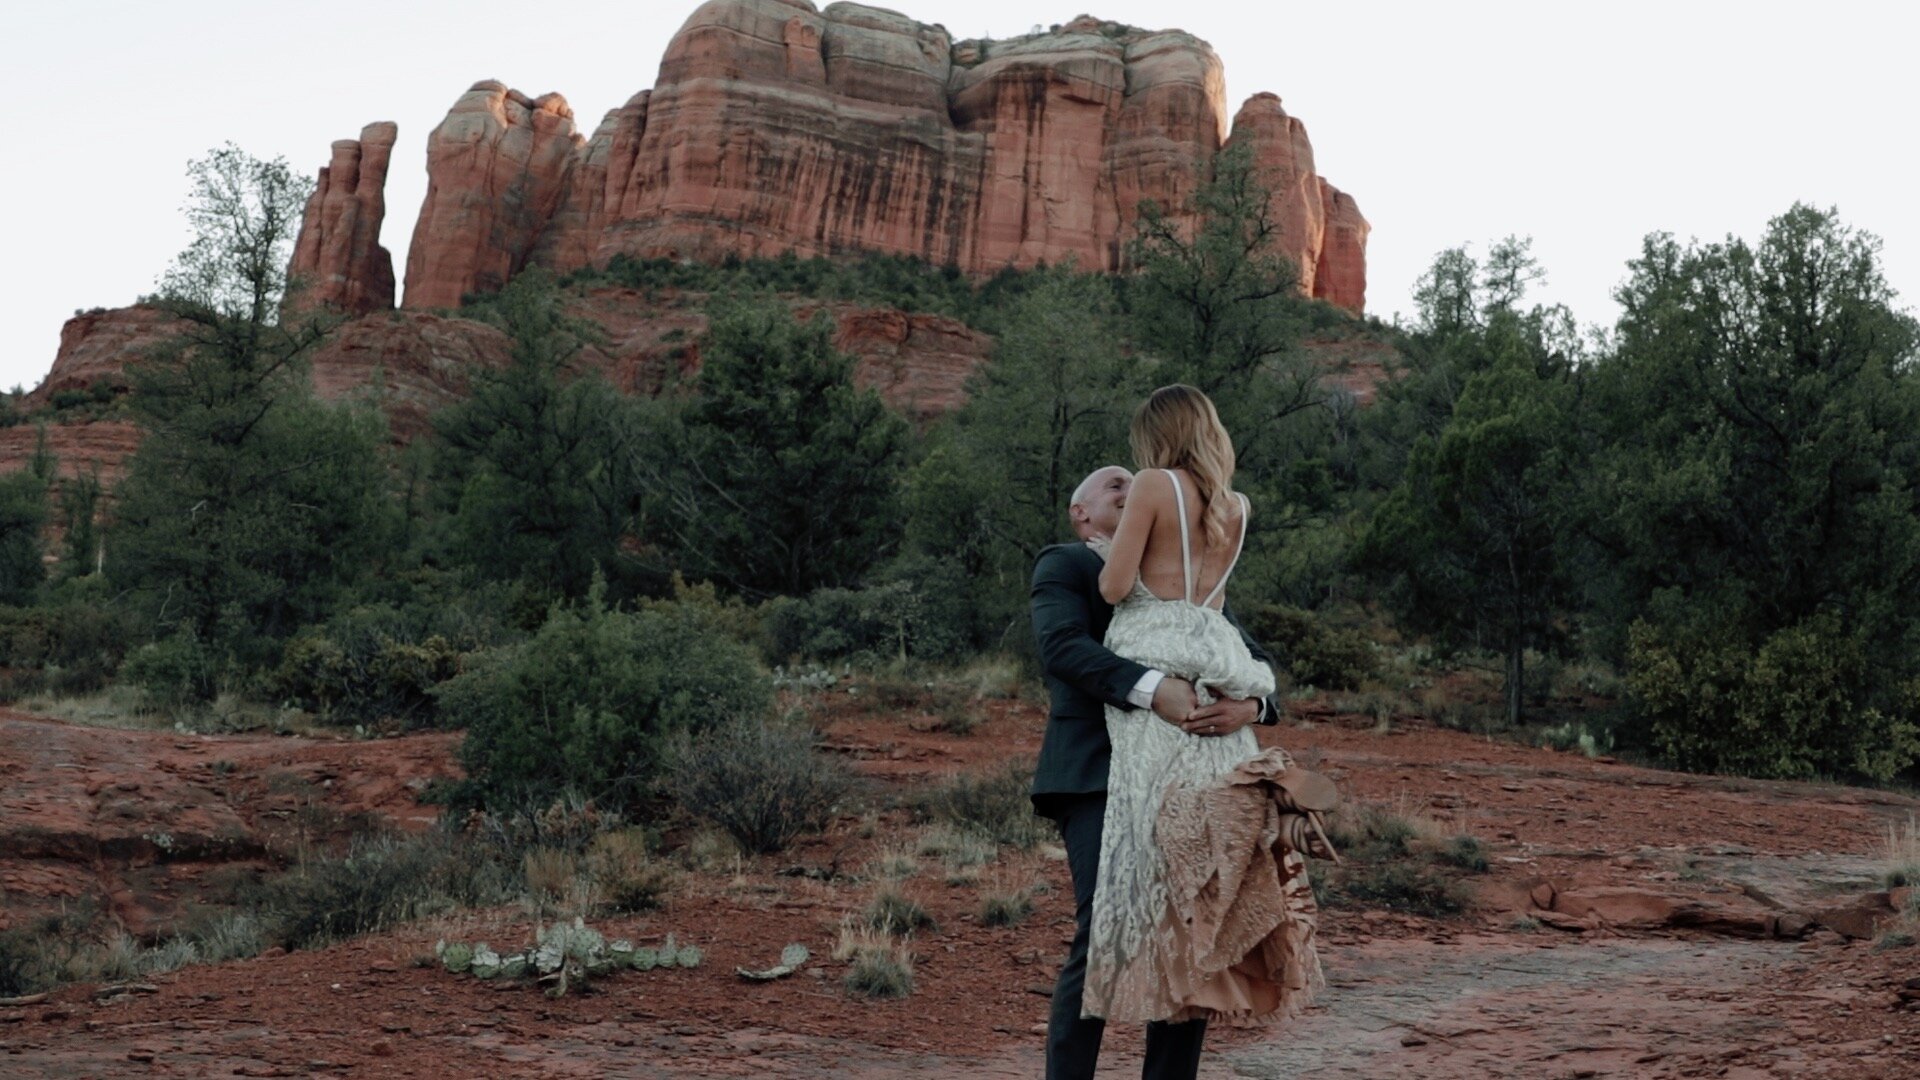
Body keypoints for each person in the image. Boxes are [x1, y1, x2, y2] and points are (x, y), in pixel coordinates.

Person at [1030, 448, 1286, 1080]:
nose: (1131, 489)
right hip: (1097, 772)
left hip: (1188, 779)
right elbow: (1062, 648)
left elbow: (1251, 659)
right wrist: (1153, 688)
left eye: (1135, 484)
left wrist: (1250, 706)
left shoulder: (1184, 578)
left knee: (1190, 934)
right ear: (1080, 512)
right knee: (1103, 932)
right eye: (1115, 485)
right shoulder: (1063, 564)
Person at [1081, 384, 1321, 1035]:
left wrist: (1106, 544)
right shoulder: (1236, 506)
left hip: (1157, 658)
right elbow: (1207, 603)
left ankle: (1149, 979)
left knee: (1144, 843)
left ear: (1160, 435)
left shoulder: (1155, 484)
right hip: (1216, 664)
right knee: (1204, 847)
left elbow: (1114, 586)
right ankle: (1207, 973)